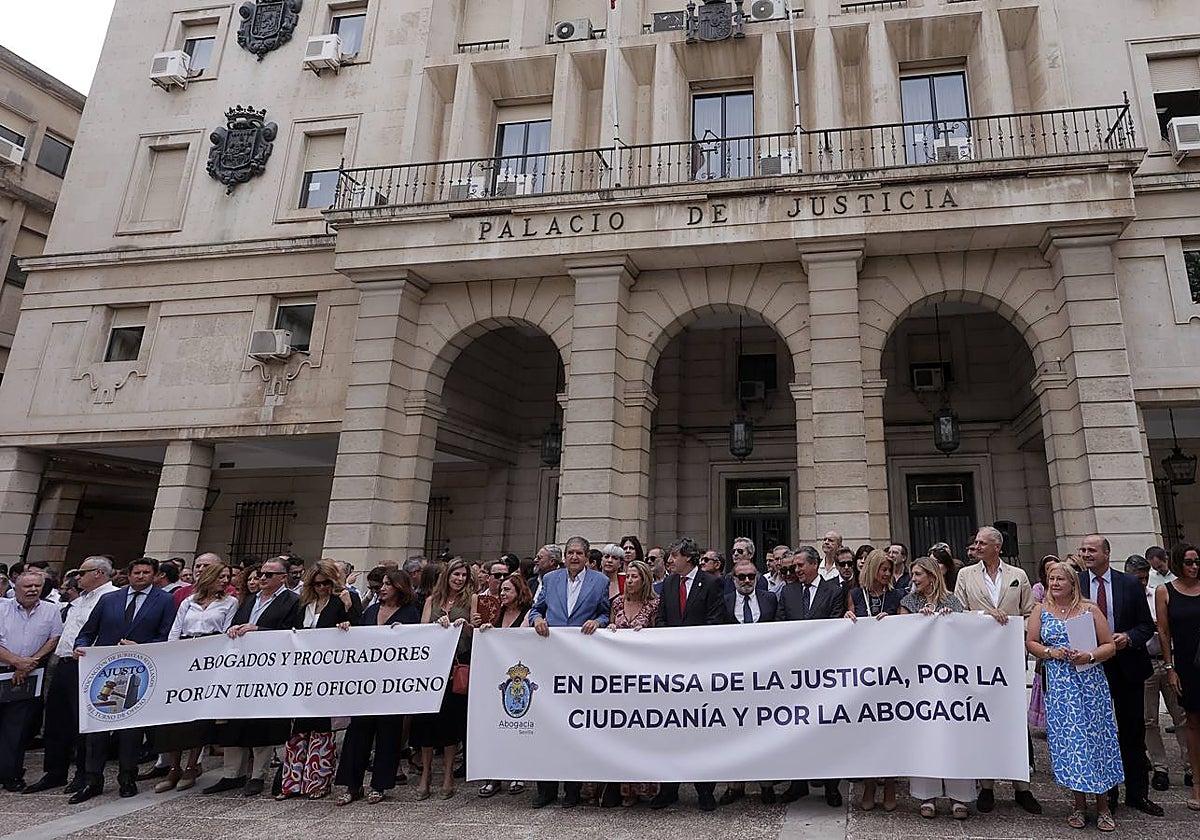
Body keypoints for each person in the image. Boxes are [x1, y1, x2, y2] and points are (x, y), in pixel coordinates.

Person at [71, 557, 177, 802]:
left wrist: (141, 647)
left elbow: (167, 636)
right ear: (128, 575)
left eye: (146, 572)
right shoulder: (109, 599)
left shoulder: (165, 600)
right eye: (137, 572)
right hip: (104, 671)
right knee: (97, 729)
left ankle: (127, 778)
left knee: (131, 730)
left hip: (140, 673)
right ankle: (92, 780)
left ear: (155, 575)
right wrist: (81, 647)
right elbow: (87, 633)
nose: (141, 576)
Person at [1027, 561, 1123, 831]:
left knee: (1096, 739)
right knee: (1071, 742)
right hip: (1060, 685)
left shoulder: (1090, 609)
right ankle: (1079, 804)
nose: (1055, 584)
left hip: (1090, 683)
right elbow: (1032, 642)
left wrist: (1089, 655)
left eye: (1060, 579)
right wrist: (1050, 653)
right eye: (1051, 579)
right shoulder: (1041, 610)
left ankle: (1103, 806)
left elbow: (1109, 646)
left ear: (1072, 583)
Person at [953, 525, 1040, 814]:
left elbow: (1030, 611)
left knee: (1014, 719)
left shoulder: (1018, 576)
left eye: (981, 542)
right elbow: (958, 611)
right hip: (978, 659)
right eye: (976, 542)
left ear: (997, 547)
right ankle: (987, 786)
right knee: (984, 718)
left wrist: (1018, 631)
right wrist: (984, 615)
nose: (976, 546)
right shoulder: (966, 575)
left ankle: (1021, 787)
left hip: (1010, 657)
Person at [1077, 533, 1162, 816]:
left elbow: (1146, 626)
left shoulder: (1129, 584)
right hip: (1091, 667)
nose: (1086, 554)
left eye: (1091, 550)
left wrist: (1127, 637)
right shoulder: (1076, 583)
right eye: (1083, 550)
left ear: (1106, 553)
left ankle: (1137, 794)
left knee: (1132, 730)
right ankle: (1107, 794)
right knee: (1100, 732)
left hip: (1127, 665)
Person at [204, 556, 302, 797]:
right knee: (234, 723)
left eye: (269, 575)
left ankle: (258, 774)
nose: (263, 578)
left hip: (269, 673)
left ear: (283, 577)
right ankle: (231, 774)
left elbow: (292, 633)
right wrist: (234, 629)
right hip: (241, 671)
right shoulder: (249, 600)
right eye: (261, 574)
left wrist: (260, 630)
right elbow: (237, 623)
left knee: (262, 726)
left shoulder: (293, 601)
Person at [23, 557, 117, 795]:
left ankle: (84, 774)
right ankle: (55, 771)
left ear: (98, 573)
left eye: (82, 573)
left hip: (88, 665)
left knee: (82, 723)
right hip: (63, 661)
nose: (77, 577)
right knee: (56, 719)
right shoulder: (79, 599)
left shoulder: (113, 597)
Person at [528, 537, 611, 808]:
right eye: (570, 553)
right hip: (550, 658)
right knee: (548, 723)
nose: (574, 557)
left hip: (580, 662)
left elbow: (605, 614)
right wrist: (537, 619)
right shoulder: (550, 579)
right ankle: (546, 789)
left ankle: (572, 790)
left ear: (587, 557)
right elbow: (536, 608)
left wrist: (596, 622)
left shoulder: (599, 582)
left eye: (579, 553)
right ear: (564, 556)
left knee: (575, 725)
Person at [333, 568, 421, 806]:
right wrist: (346, 627)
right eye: (382, 584)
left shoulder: (410, 613)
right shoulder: (371, 610)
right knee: (358, 732)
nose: (382, 588)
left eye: (387, 584)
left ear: (400, 588)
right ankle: (352, 785)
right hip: (367, 683)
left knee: (388, 734)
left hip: (393, 684)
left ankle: (380, 784)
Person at [648, 538, 724, 812]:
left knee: (701, 730)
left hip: (700, 668)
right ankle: (669, 789)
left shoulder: (712, 583)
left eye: (674, 556)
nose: (669, 561)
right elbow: (662, 619)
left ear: (688, 558)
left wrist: (690, 647)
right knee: (671, 729)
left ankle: (705, 790)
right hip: (672, 669)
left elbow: (715, 621)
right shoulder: (669, 583)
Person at [156, 561, 238, 793]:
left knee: (198, 716)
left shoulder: (229, 602)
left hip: (208, 656)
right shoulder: (188, 602)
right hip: (184, 651)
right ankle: (173, 767)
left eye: (227, 576)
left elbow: (226, 631)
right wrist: (172, 656)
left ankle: (193, 765)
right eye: (221, 576)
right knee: (175, 714)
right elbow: (176, 629)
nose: (225, 580)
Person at [898, 557, 971, 819]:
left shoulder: (952, 601)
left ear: (931, 575)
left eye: (918, 574)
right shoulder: (908, 602)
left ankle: (959, 795)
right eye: (912, 575)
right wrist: (919, 621)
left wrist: (950, 621)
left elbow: (965, 632)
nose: (914, 579)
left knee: (953, 734)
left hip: (948, 678)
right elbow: (899, 636)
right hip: (919, 680)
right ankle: (926, 795)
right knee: (924, 735)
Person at [276, 560, 353, 801]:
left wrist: (347, 618)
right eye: (317, 583)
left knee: (322, 727)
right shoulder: (304, 605)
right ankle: (291, 782)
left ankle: (318, 781)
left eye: (326, 583)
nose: (322, 588)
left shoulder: (343, 601)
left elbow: (357, 628)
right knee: (298, 728)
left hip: (327, 674)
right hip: (302, 673)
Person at [776, 545, 843, 807]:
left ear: (815, 564)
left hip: (824, 673)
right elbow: (781, 625)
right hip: (794, 674)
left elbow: (836, 626)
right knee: (795, 730)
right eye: (794, 567)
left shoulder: (834, 590)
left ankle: (831, 786)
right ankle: (798, 784)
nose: (796, 570)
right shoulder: (789, 592)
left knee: (827, 731)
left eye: (800, 565)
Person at [1125, 555, 1190, 794]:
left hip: (1168, 659)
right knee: (1149, 719)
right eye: (1137, 579)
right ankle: (1160, 767)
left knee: (1180, 716)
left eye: (1144, 579)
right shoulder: (1126, 599)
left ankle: (1190, 766)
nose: (1141, 584)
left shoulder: (1159, 594)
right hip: (1145, 663)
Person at [413, 558, 476, 801]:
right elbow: (422, 630)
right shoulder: (432, 601)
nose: (459, 579)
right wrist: (436, 626)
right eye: (455, 575)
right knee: (427, 723)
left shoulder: (471, 600)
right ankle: (426, 774)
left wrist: (466, 624)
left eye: (463, 575)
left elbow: (477, 631)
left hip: (457, 665)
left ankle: (448, 773)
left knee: (451, 722)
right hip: (433, 669)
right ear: (447, 576)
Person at [719, 557, 778, 806]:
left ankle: (766, 784)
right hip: (733, 677)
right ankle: (736, 784)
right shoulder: (724, 602)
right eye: (741, 577)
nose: (746, 581)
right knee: (734, 730)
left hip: (765, 677)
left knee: (764, 730)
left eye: (751, 577)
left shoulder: (769, 599)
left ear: (757, 578)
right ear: (733, 579)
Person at [0, 570, 62, 792]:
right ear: (15, 588)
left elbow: (54, 638)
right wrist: (16, 661)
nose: (33, 590)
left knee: (18, 729)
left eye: (37, 586)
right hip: (2, 669)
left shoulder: (51, 610)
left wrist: (30, 663)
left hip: (30, 673)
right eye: (28, 586)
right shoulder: (1, 607)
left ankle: (10, 774)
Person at [474, 571, 533, 799]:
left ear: (519, 592)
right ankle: (493, 775)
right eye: (501, 590)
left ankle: (517, 771)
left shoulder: (527, 615)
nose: (502, 593)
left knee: (518, 726)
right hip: (494, 678)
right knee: (493, 727)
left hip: (518, 681)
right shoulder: (494, 613)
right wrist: (482, 628)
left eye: (507, 589)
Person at [1157, 541, 1200, 809]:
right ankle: (1197, 784)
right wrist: (1169, 667)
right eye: (1189, 562)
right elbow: (1164, 632)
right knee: (1192, 724)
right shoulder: (1165, 591)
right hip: (1187, 665)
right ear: (1177, 563)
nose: (1194, 567)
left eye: (1197, 562)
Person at [844, 548, 903, 623]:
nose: (888, 574)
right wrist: (847, 617)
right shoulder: (855, 595)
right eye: (884, 570)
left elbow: (902, 624)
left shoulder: (896, 595)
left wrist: (890, 620)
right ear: (873, 569)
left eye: (890, 570)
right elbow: (851, 624)